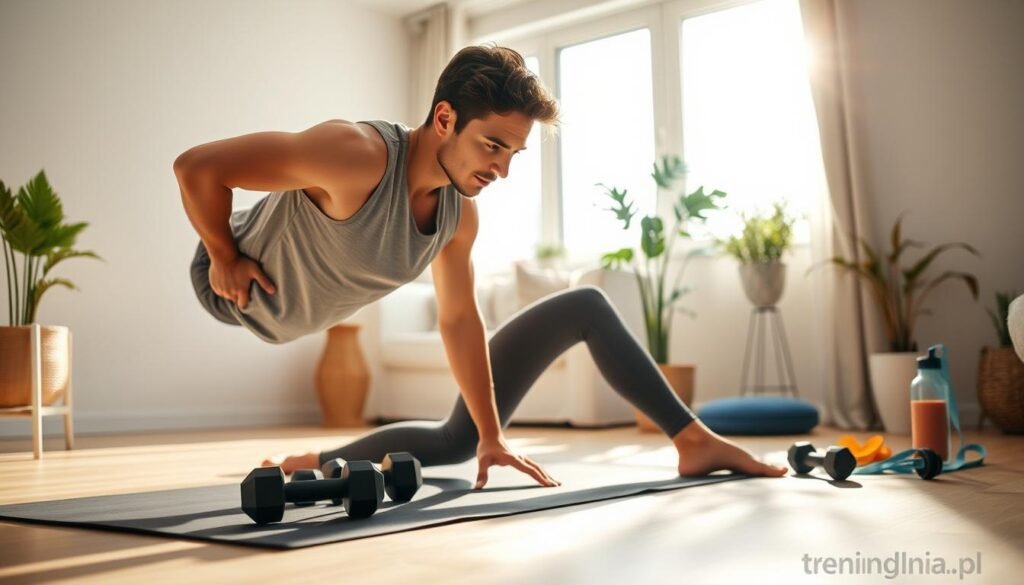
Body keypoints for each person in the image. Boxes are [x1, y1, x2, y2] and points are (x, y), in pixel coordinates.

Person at [175, 44, 788, 490]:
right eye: (493, 145)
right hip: (232, 286)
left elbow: (460, 319)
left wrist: (491, 437)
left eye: (514, 153)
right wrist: (225, 258)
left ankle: (693, 440)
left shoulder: (457, 217)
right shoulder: (354, 156)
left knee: (480, 415)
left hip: (289, 310)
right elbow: (197, 167)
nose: (501, 169)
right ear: (444, 119)